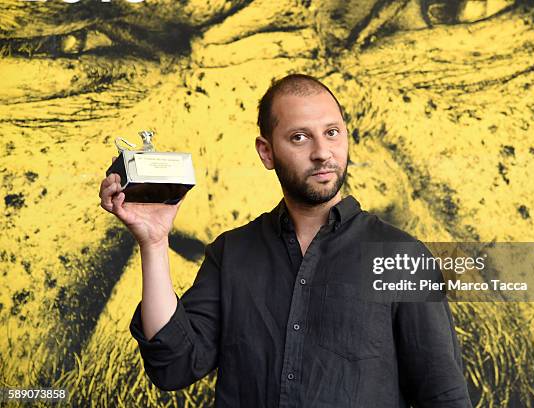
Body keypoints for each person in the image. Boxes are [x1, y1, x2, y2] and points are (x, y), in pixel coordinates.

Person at [99, 74, 471, 407]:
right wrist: (154, 242)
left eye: (332, 132)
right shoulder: (232, 253)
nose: (322, 152)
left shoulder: (402, 257)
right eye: (299, 137)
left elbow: (445, 396)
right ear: (267, 151)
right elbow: (174, 365)